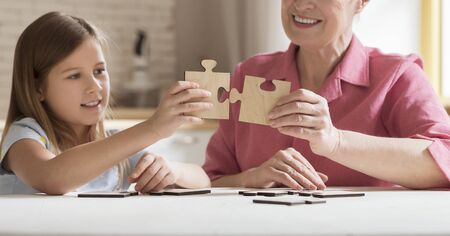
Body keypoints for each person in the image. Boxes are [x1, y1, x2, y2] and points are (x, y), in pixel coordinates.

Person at [203, 0, 450, 190]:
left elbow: (445, 158)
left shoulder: (397, 77)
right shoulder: (250, 74)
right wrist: (252, 178)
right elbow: (212, 181)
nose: (301, 4)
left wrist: (336, 141)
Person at [0, 12, 212, 195]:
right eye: (74, 76)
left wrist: (172, 169)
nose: (94, 86)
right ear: (38, 88)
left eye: (99, 71)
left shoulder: (114, 146)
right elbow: (52, 177)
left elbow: (202, 179)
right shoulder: (24, 136)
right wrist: (153, 128)